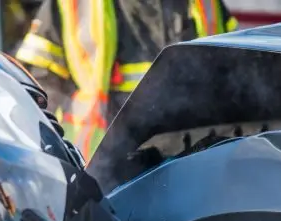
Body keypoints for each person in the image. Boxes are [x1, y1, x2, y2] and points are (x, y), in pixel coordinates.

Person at [15, 0, 238, 162]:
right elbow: (37, 87)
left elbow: (238, 73)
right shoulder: (74, 5)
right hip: (104, 165)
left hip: (192, 160)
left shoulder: (205, 5)